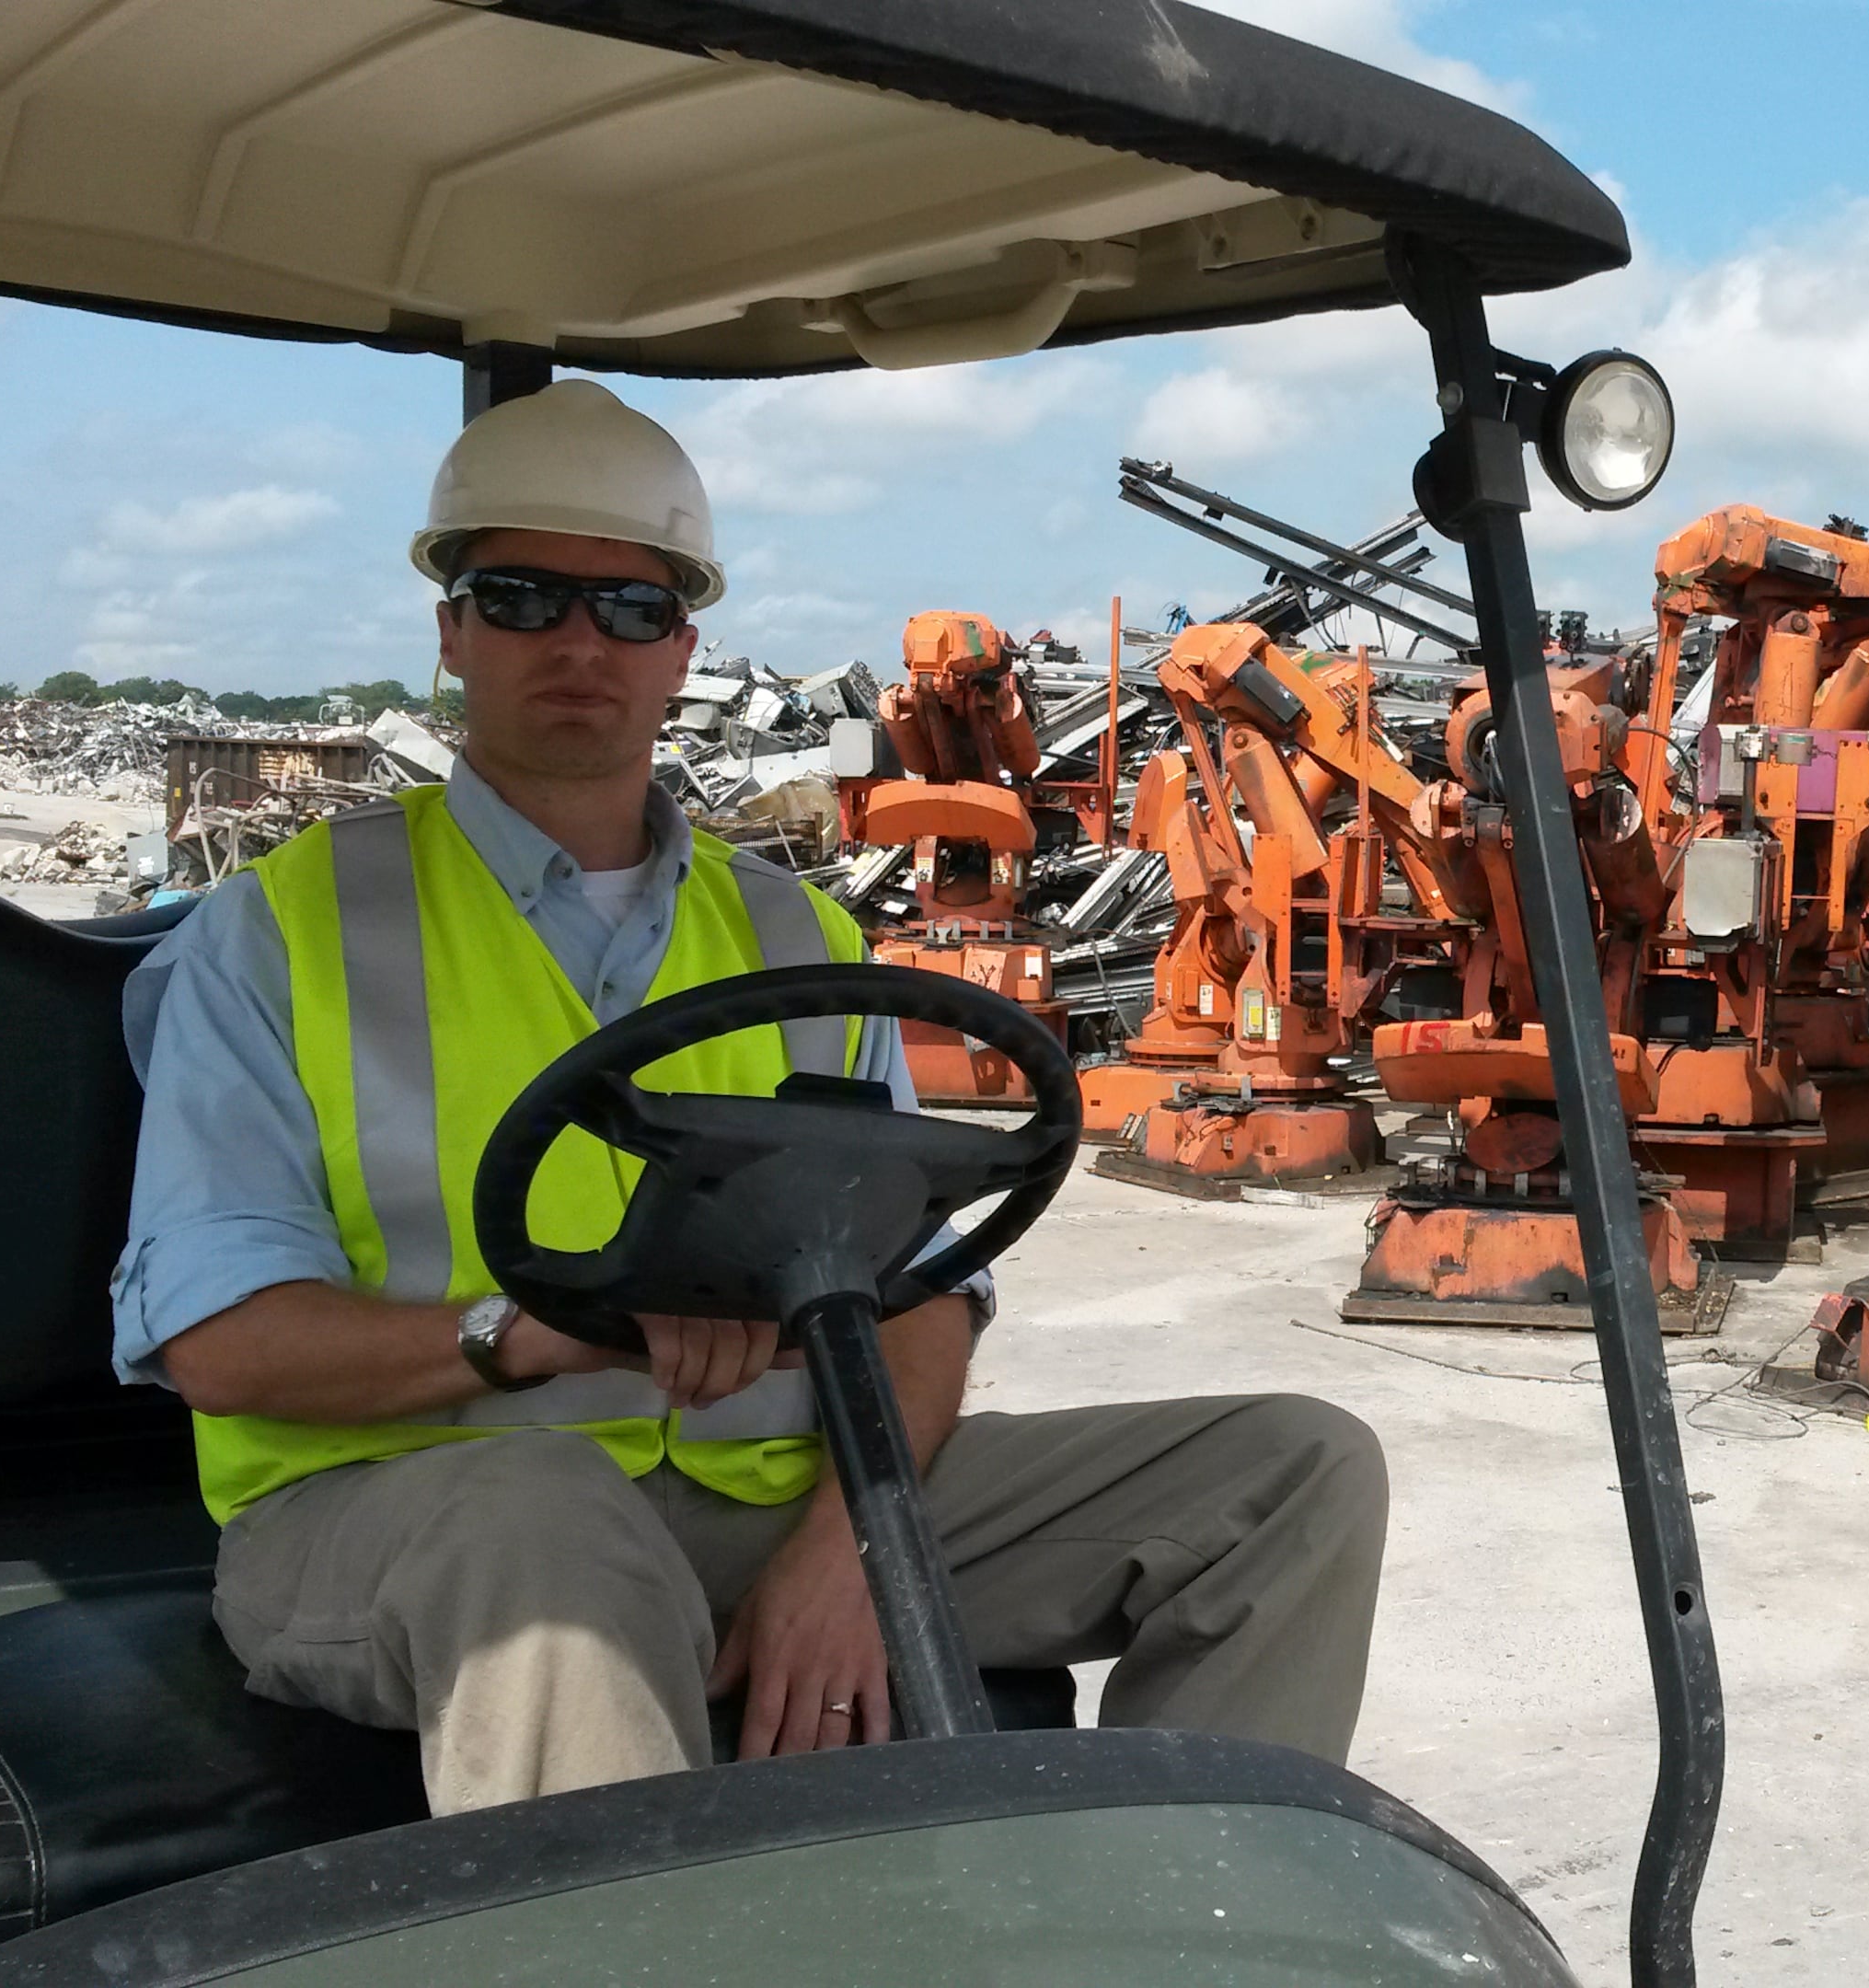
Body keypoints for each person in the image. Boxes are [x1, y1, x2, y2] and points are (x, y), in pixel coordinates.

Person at [110, 379, 1385, 1815]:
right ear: (452, 629)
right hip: (397, 1512)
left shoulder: (800, 940)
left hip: (771, 1499)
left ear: (685, 649)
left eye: (633, 610)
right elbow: (224, 1342)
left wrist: (852, 1543)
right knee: (549, 1524)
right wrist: (533, 1339)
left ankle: (1188, 1939)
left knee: (1294, 1473)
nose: (581, 642)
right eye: (523, 597)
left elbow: (920, 1299)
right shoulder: (278, 933)